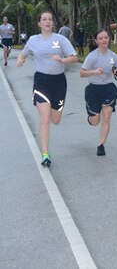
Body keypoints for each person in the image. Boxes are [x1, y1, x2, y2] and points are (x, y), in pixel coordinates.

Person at [16, 11, 78, 166]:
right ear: (39, 23)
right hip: (41, 81)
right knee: (44, 118)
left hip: (59, 82)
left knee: (55, 120)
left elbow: (75, 58)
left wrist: (62, 60)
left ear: (52, 23)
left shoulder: (61, 39)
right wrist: (20, 60)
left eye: (50, 19)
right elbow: (23, 54)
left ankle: (52, 108)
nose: (47, 22)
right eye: (44, 19)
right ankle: (45, 154)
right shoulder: (33, 40)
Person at [80, 29, 117, 156]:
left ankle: (101, 145)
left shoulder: (113, 56)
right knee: (95, 121)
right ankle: (90, 118)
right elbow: (82, 73)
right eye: (101, 38)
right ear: (97, 41)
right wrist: (94, 72)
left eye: (106, 37)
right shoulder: (92, 56)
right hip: (94, 89)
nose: (104, 40)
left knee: (107, 117)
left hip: (108, 88)